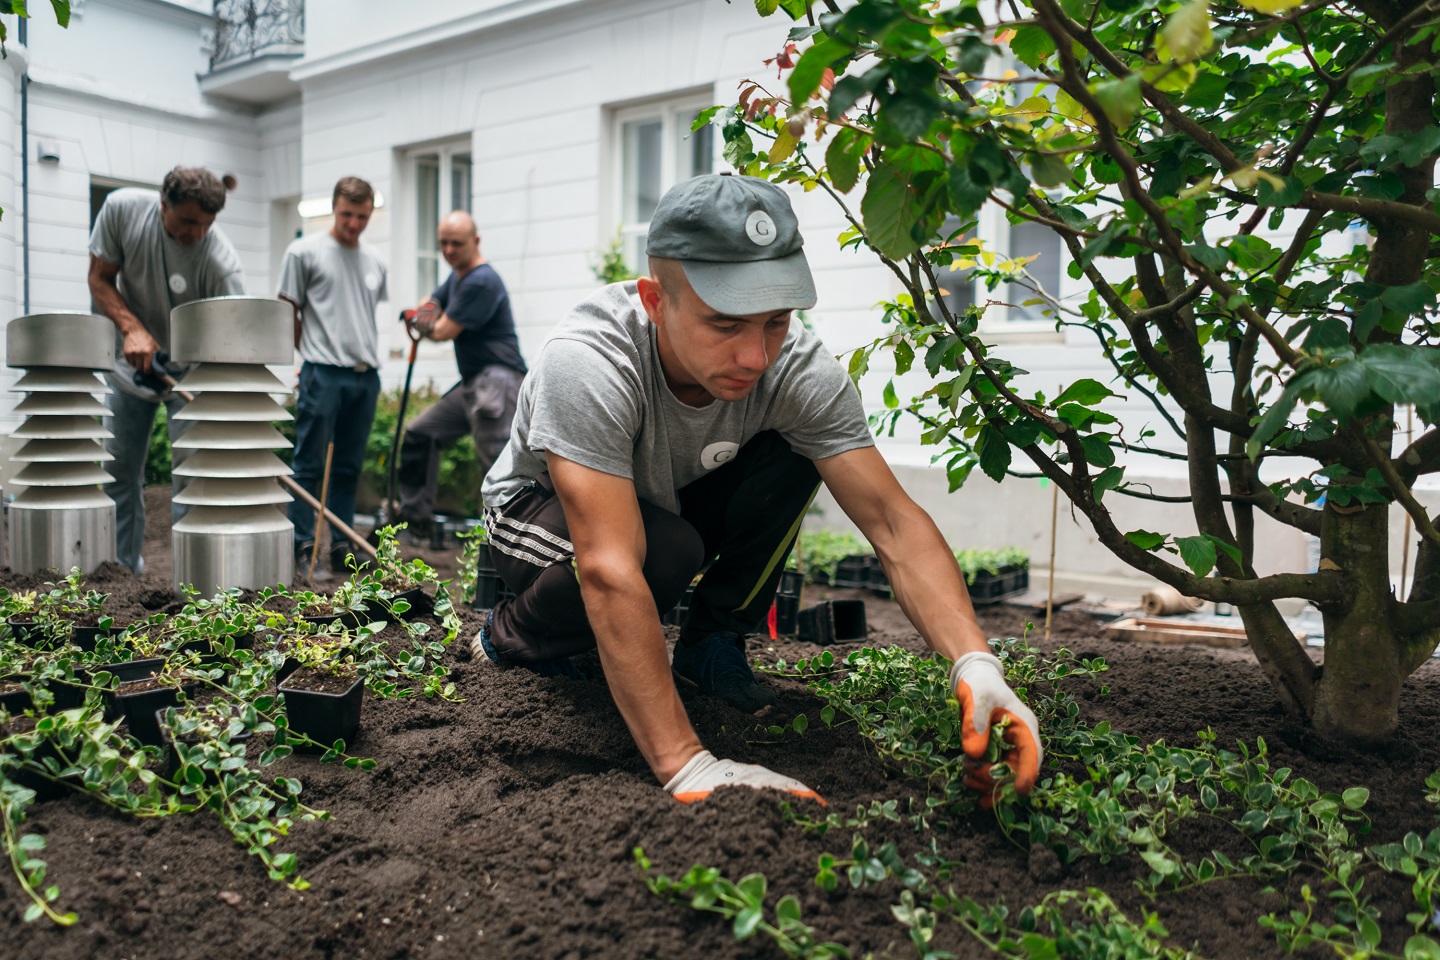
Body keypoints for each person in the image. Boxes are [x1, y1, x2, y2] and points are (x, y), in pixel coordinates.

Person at [475, 173, 1042, 806]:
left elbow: (892, 522)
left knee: (799, 455)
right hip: (533, 511)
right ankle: (510, 634)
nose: (756, 356)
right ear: (656, 301)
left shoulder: (796, 368)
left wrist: (977, 666)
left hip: (659, 509)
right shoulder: (588, 359)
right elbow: (611, 566)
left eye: (775, 322)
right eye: (725, 325)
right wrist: (688, 767)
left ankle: (710, 645)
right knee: (658, 553)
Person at [88, 166, 246, 573]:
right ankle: (121, 571)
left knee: (193, 480)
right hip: (130, 364)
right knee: (118, 470)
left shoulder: (223, 265)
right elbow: (99, 278)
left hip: (191, 371)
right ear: (163, 203)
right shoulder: (123, 210)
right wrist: (131, 328)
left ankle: (192, 582)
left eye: (207, 225)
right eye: (189, 221)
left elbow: (230, 343)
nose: (198, 233)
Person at [278, 176, 387, 574]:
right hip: (322, 372)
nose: (353, 224)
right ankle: (304, 545)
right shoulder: (304, 252)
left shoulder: (375, 260)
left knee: (348, 467)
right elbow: (286, 308)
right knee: (309, 464)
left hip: (365, 376)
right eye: (346, 215)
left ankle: (341, 547)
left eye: (361, 216)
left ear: (370, 213)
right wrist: (306, 353)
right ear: (333, 209)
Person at [396, 211, 526, 541]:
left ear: (476, 241)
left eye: (457, 243)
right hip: (472, 381)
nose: (449, 250)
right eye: (443, 243)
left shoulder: (481, 281)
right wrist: (422, 313)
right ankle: (417, 522)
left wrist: (421, 323)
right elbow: (432, 302)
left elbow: (442, 331)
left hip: (498, 382)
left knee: (499, 466)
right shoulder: (457, 277)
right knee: (420, 434)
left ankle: (508, 543)